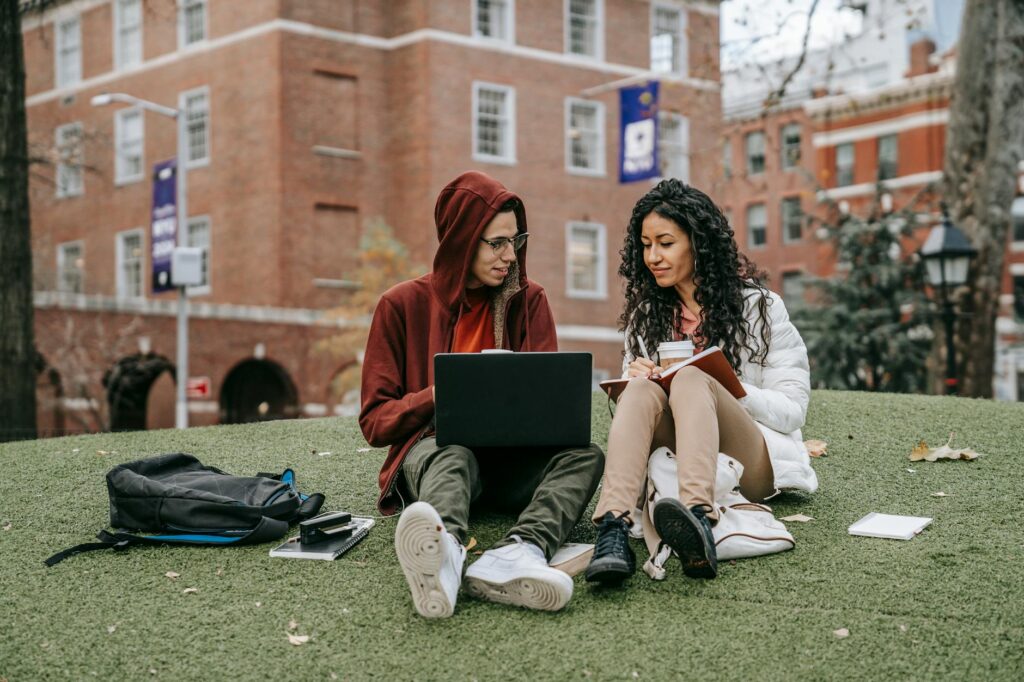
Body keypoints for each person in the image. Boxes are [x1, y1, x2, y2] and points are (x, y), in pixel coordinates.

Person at [359, 170, 605, 618]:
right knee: (454, 454)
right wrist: (442, 394)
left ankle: (520, 551)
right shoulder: (400, 305)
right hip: (438, 454)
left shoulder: (530, 301)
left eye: (516, 240)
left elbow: (548, 406)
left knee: (586, 454)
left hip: (511, 464)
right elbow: (375, 422)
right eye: (497, 243)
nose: (510, 255)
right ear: (461, 241)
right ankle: (446, 554)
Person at [584, 179, 817, 585]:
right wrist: (635, 380)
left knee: (693, 376)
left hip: (748, 460)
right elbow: (639, 419)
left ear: (698, 242)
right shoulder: (646, 317)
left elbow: (793, 411)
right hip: (672, 454)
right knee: (640, 388)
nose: (652, 256)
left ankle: (697, 516)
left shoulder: (760, 308)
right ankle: (613, 528)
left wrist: (722, 384)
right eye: (645, 244)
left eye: (666, 243)